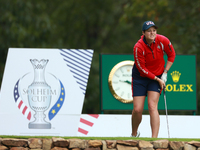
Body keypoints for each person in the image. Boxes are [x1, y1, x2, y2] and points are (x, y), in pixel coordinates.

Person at [131, 21, 176, 138]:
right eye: (149, 31)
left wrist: (165, 72)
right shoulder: (138, 47)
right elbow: (142, 69)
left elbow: (172, 55)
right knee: (137, 109)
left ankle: (154, 139)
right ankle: (134, 134)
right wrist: (158, 79)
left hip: (157, 77)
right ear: (143, 33)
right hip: (140, 78)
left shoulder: (163, 40)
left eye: (154, 30)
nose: (152, 33)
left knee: (152, 106)